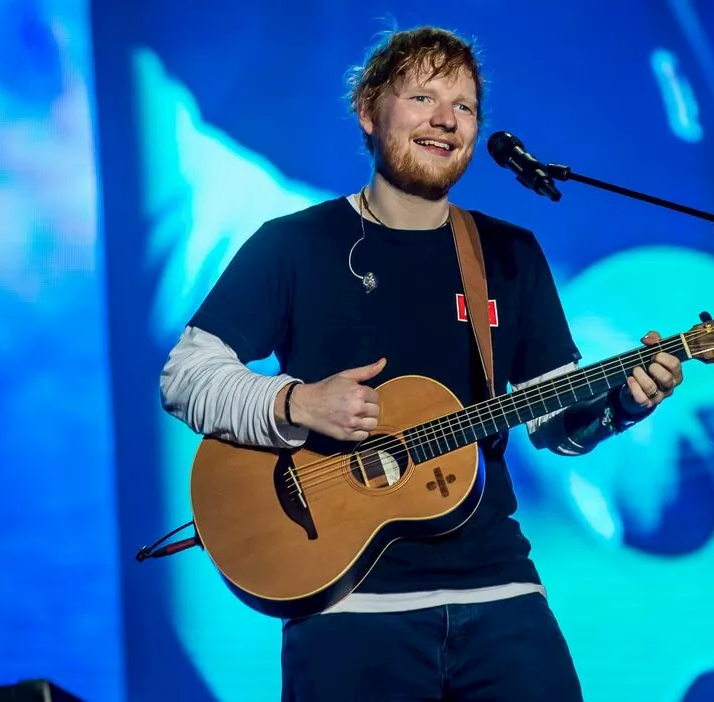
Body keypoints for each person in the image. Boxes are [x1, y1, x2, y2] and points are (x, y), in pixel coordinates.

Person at [159, 25, 685, 701]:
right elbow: (187, 375)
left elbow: (552, 422)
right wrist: (293, 403)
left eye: (464, 106)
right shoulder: (293, 244)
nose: (446, 119)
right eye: (424, 97)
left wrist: (620, 405)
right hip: (346, 607)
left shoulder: (508, 254)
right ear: (369, 112)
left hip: (500, 596)